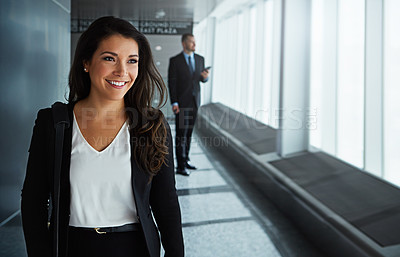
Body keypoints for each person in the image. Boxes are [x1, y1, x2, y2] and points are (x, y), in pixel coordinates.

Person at [21, 16, 184, 257]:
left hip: (134, 248)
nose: (122, 72)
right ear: (86, 62)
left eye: (132, 61)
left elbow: (166, 203)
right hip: (71, 247)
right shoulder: (54, 123)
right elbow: (34, 200)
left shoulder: (151, 125)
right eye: (110, 58)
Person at [168, 33, 209, 176]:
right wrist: (174, 102)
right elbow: (172, 83)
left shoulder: (200, 59)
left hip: (194, 102)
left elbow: (200, 80)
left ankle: (186, 160)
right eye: (191, 42)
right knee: (181, 135)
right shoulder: (175, 61)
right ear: (184, 43)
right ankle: (180, 166)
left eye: (194, 42)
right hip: (181, 103)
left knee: (189, 134)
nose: (194, 45)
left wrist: (205, 78)